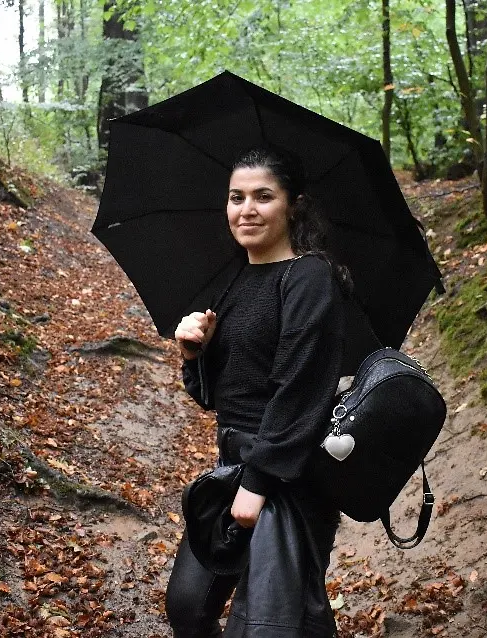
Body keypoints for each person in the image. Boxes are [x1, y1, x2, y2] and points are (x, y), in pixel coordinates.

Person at [165, 146, 348, 637]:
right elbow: (219, 395)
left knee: (273, 624)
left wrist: (258, 483)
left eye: (263, 197)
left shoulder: (309, 277)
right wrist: (192, 353)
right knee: (187, 606)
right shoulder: (238, 279)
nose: (246, 209)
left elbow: (300, 387)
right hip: (232, 465)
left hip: (288, 476)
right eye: (236, 197)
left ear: (293, 205)